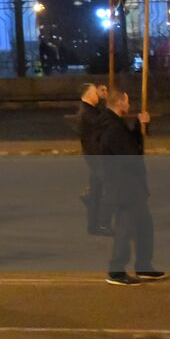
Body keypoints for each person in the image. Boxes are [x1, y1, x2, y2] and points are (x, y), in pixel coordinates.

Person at [99, 90, 163, 285]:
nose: (129, 105)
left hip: (130, 186)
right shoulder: (112, 128)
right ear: (119, 103)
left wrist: (139, 125)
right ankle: (116, 271)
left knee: (145, 226)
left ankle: (144, 265)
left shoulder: (117, 124)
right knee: (125, 229)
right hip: (123, 187)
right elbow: (132, 154)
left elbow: (133, 146)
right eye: (127, 102)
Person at [77, 82, 114, 236]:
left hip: (96, 154)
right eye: (94, 92)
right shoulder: (87, 112)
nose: (97, 94)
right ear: (86, 95)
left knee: (98, 189)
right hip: (96, 155)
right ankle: (103, 224)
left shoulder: (91, 110)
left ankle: (93, 225)